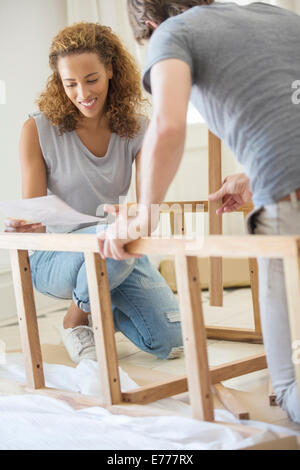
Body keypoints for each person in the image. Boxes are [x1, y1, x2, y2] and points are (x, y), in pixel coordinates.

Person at [98, 1, 300, 423]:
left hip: (286, 189)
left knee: (286, 377)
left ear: (150, 23)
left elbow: (167, 126)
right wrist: (252, 174)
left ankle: (287, 392)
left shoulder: (172, 33)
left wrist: (144, 213)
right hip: (282, 174)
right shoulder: (273, 13)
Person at [4, 22, 183, 363]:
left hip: (115, 247)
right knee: (109, 236)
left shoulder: (138, 130)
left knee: (171, 342)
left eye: (92, 80)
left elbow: (147, 207)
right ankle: (76, 321)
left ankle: (100, 307)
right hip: (56, 257)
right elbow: (35, 221)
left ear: (111, 70)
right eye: (70, 84)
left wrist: (136, 216)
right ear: (60, 83)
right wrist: (22, 225)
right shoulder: (37, 130)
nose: (83, 94)